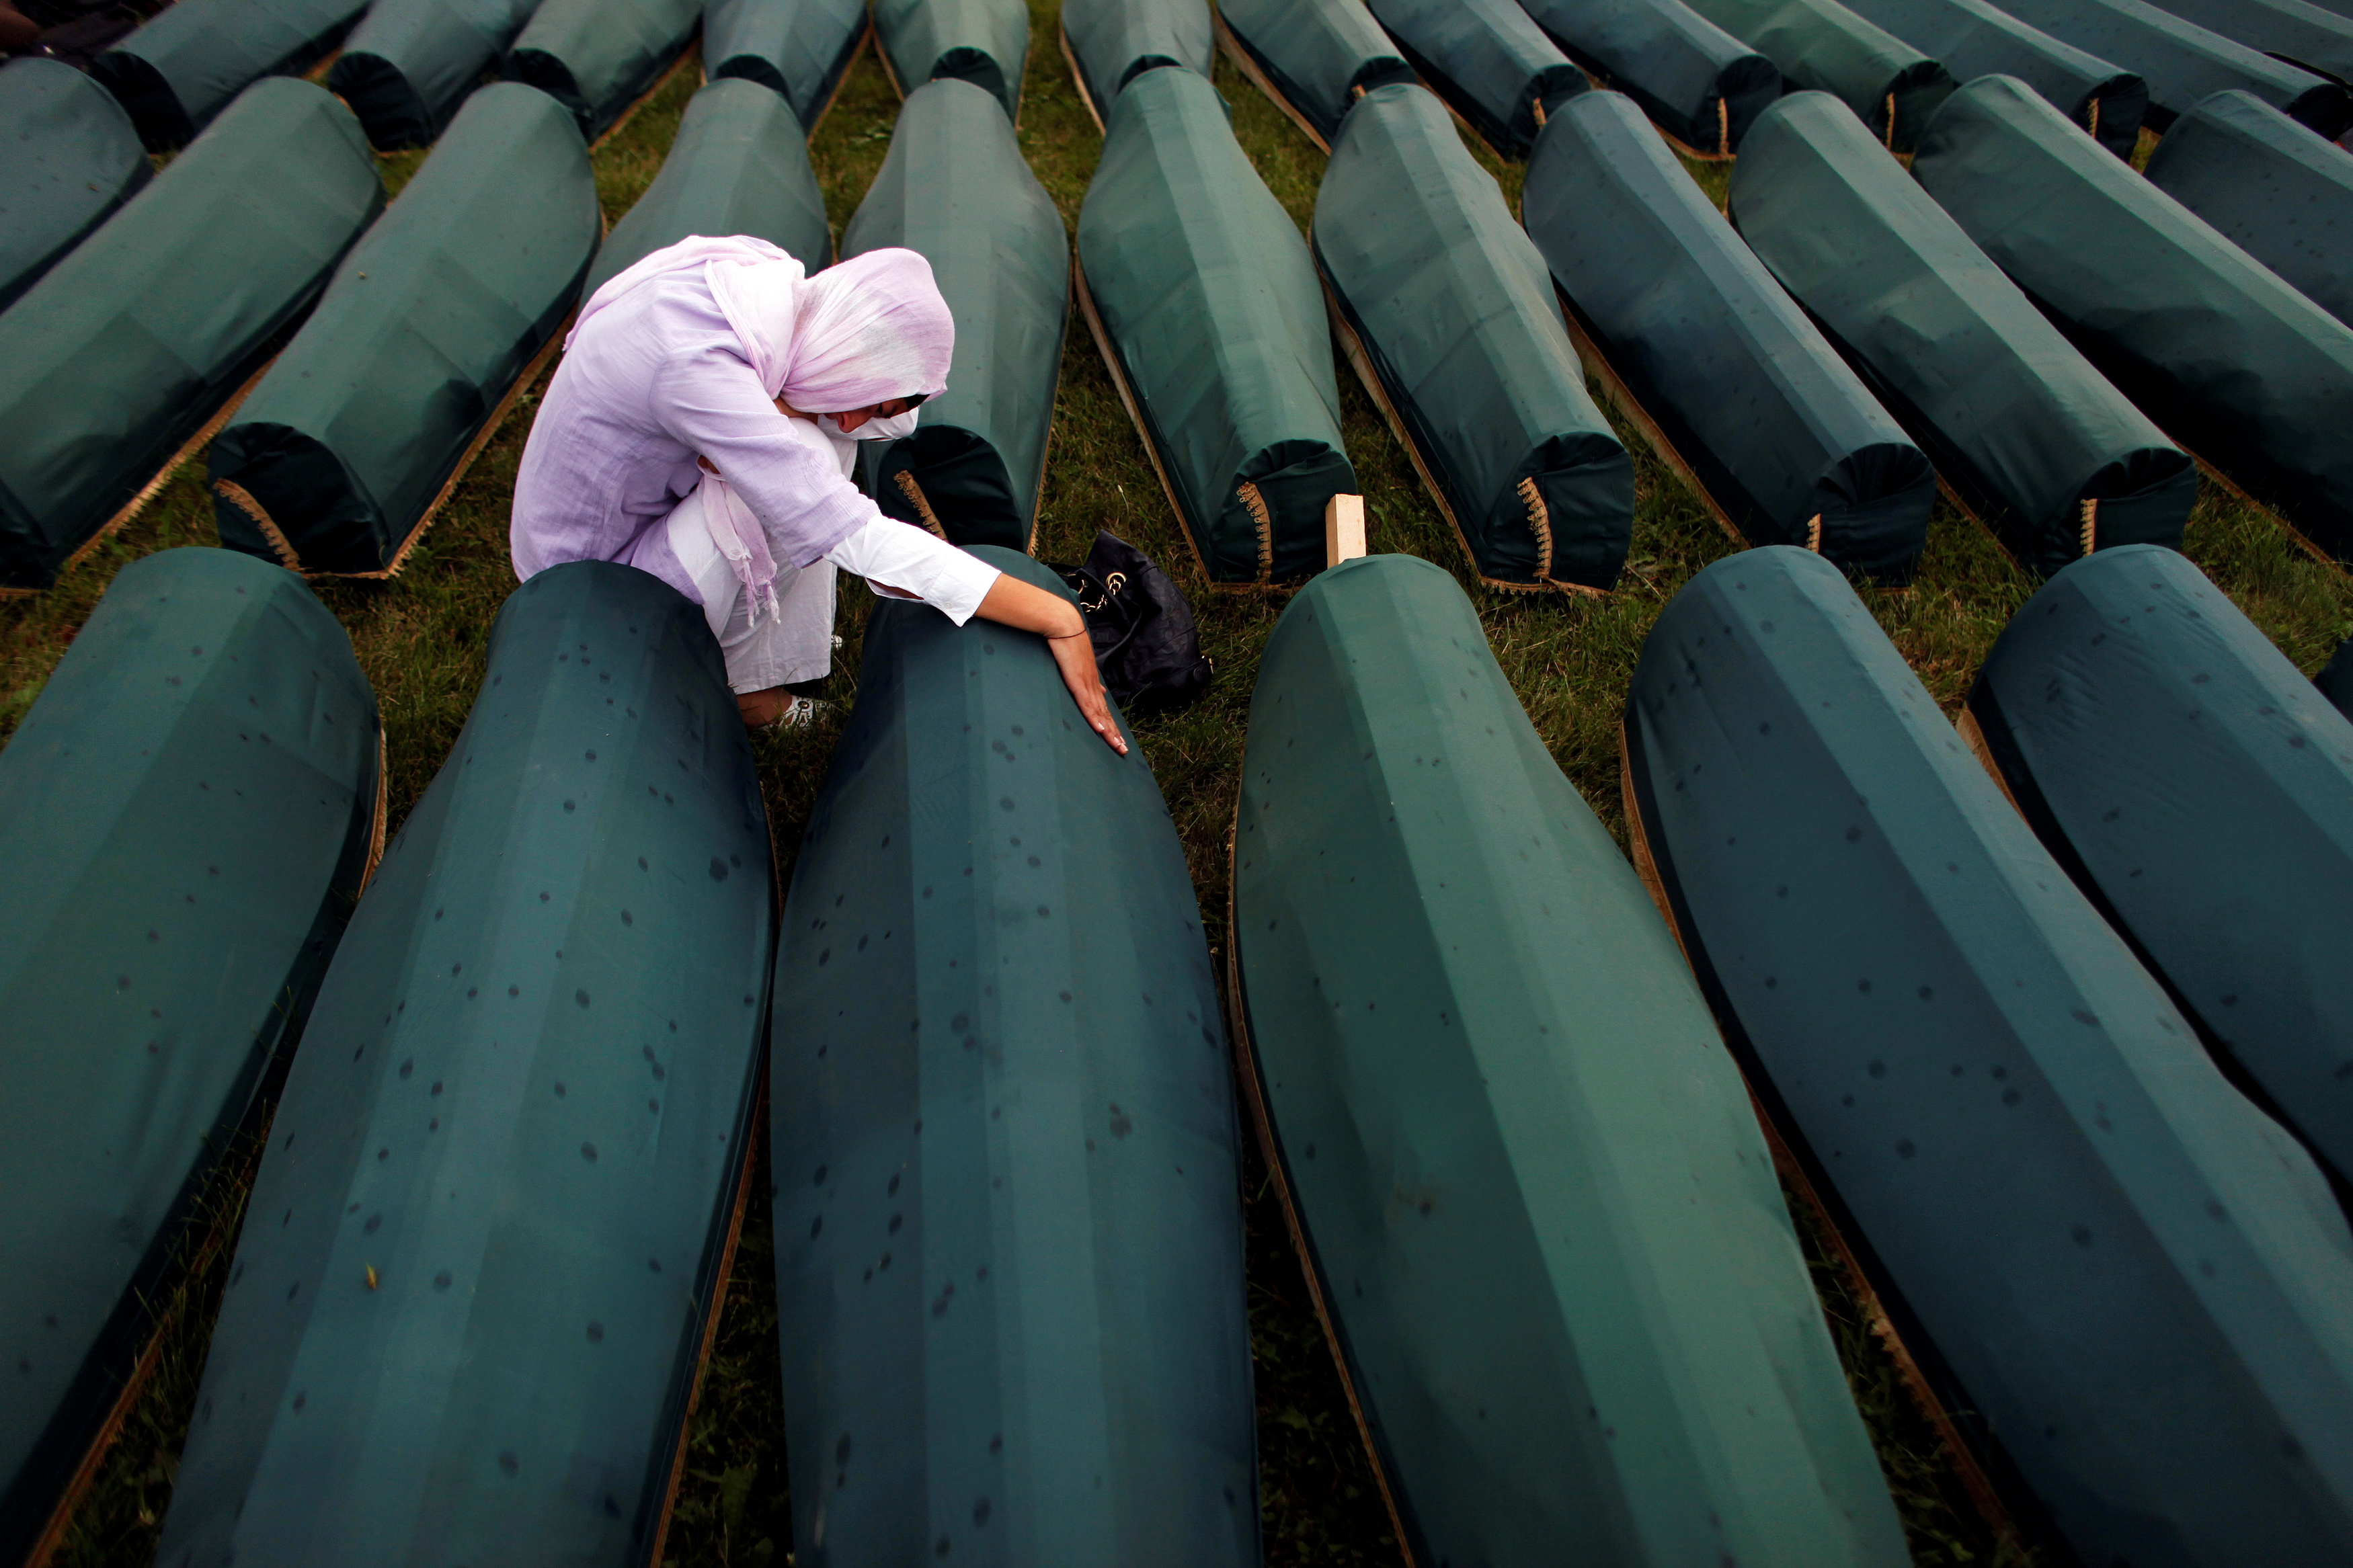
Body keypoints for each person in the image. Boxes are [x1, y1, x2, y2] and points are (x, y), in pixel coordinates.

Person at [510, 235, 1124, 753]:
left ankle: (769, 653)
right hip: (594, 585)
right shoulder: (699, 365)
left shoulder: (779, 296)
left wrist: (807, 407)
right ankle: (738, 689)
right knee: (807, 454)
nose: (859, 421)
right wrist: (1057, 615)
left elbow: (891, 423)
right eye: (870, 400)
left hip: (646, 510)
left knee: (819, 437)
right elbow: (858, 539)